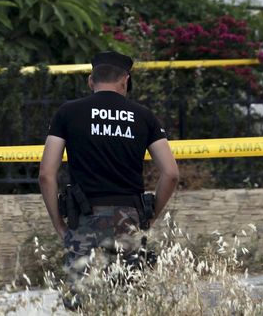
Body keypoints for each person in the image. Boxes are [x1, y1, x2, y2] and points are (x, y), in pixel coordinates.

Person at [38, 50, 179, 285]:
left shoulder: (68, 112)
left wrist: (59, 226)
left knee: (83, 301)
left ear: (91, 81)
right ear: (126, 81)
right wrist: (150, 217)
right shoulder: (144, 116)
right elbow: (171, 173)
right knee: (129, 298)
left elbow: (46, 175)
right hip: (129, 219)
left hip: (83, 218)